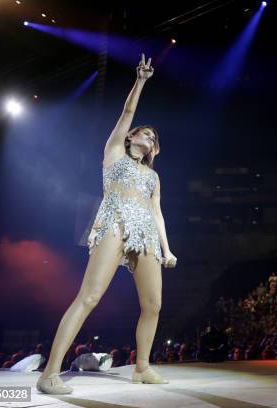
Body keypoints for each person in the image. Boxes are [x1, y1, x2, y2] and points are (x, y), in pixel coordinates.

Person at [36, 53, 177, 394]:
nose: (149, 137)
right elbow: (128, 113)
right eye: (145, 132)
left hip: (145, 235)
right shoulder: (114, 152)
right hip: (114, 222)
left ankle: (142, 368)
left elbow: (157, 212)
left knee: (154, 304)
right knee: (89, 296)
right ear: (130, 138)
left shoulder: (154, 177)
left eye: (154, 137)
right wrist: (141, 81)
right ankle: (49, 373)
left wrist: (167, 249)